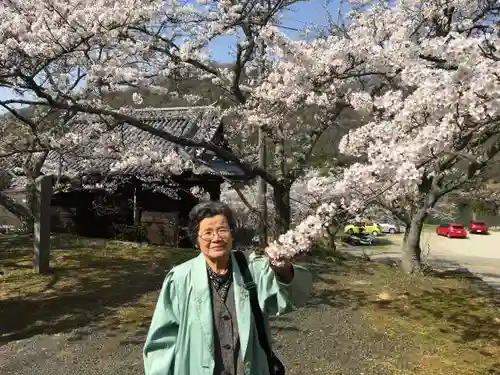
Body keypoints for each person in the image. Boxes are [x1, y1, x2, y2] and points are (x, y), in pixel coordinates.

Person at [143, 201, 313, 375]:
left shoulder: (252, 269)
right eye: (207, 233)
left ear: (232, 235)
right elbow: (161, 341)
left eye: (222, 230)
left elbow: (292, 298)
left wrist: (283, 270)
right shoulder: (179, 279)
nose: (216, 238)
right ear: (196, 241)